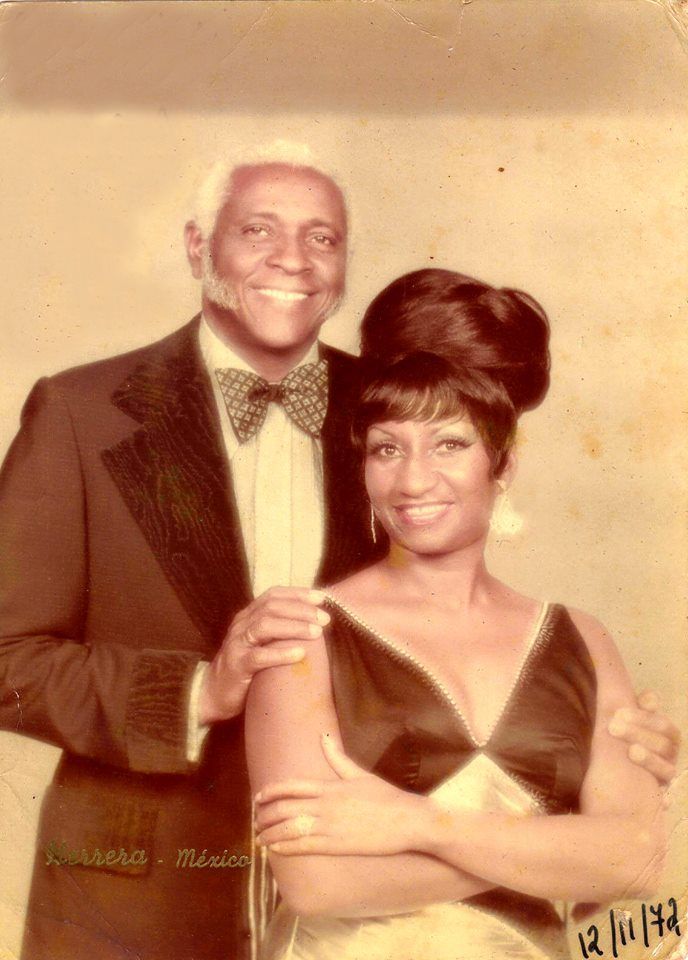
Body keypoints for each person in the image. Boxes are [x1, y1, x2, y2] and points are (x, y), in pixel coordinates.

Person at [0, 150, 677, 960]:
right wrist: (199, 689)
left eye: (322, 238)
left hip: (379, 896)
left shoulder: (399, 414)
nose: (293, 258)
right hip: (144, 890)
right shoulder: (82, 412)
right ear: (196, 248)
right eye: (258, 230)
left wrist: (581, 750)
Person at [247, 269, 671, 960]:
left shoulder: (579, 638)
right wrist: (554, 851)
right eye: (387, 448)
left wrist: (421, 825)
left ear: (502, 466)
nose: (414, 481)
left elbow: (639, 861)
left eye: (450, 443)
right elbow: (316, 880)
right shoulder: (304, 636)